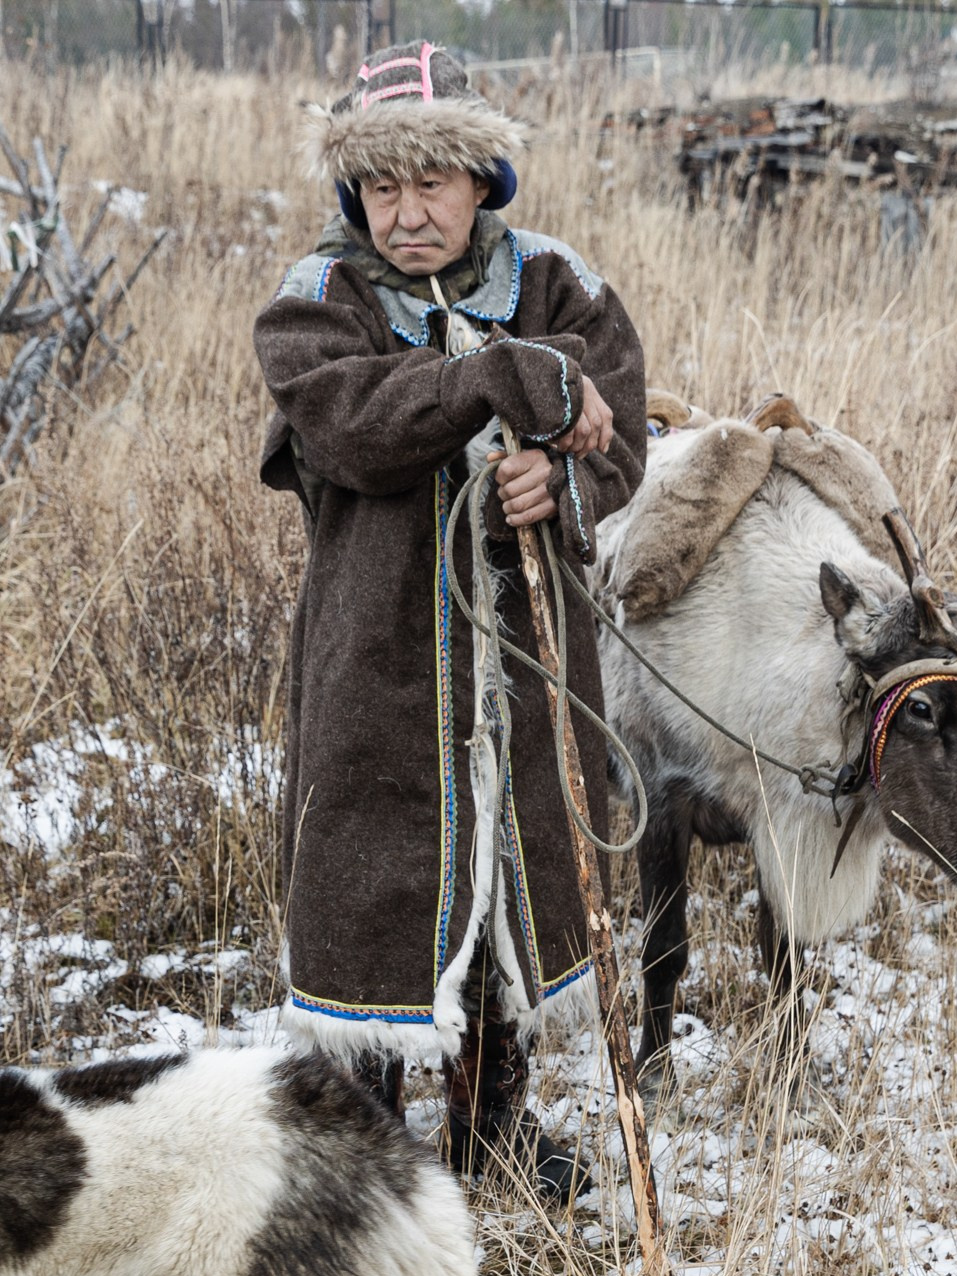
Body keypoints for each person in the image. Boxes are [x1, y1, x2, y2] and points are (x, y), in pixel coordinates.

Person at [255, 42, 648, 1202]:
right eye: (382, 186)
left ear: (483, 180)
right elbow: (351, 425)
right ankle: (369, 1149)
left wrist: (561, 484)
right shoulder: (315, 298)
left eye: (433, 182)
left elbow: (616, 430)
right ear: (353, 193)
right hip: (376, 657)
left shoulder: (556, 286)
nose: (407, 211)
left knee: (516, 871)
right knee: (371, 879)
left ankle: (491, 1127)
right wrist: (490, 382)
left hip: (526, 652)